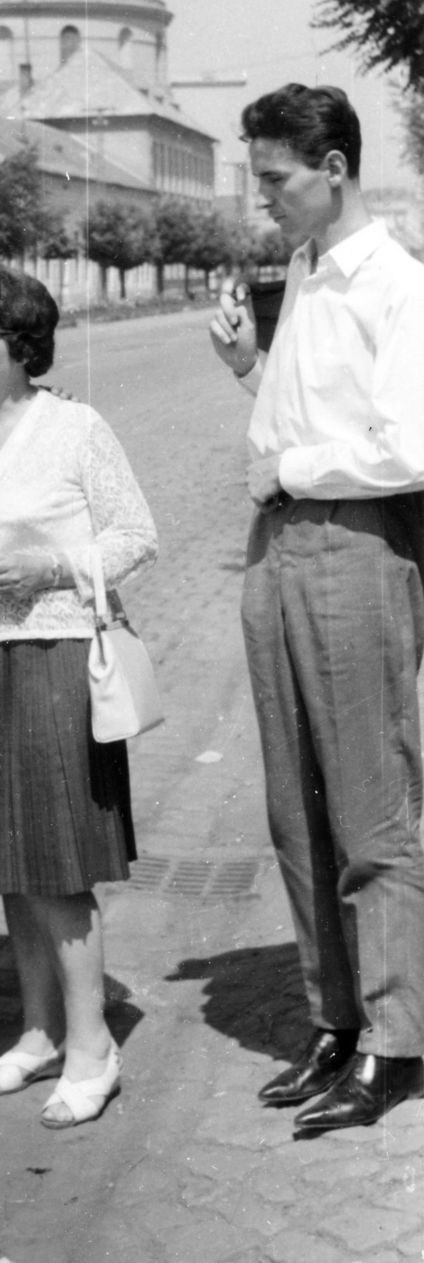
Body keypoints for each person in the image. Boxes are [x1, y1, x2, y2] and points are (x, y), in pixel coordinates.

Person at [210, 83, 424, 1131]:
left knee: (370, 805)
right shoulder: (299, 271)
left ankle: (396, 1038)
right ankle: (334, 1017)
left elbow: (406, 447)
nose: (268, 202)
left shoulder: (396, 285)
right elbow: (299, 411)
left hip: (353, 549)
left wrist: (289, 463)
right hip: (278, 548)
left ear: (332, 169)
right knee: (294, 803)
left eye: (277, 181)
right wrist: (250, 372)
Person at [0, 264, 157, 1128]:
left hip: (52, 663)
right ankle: (38, 1030)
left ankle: (94, 1046)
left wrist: (55, 564)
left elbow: (137, 533)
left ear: (23, 347)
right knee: (3, 863)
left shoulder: (74, 428)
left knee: (55, 864)